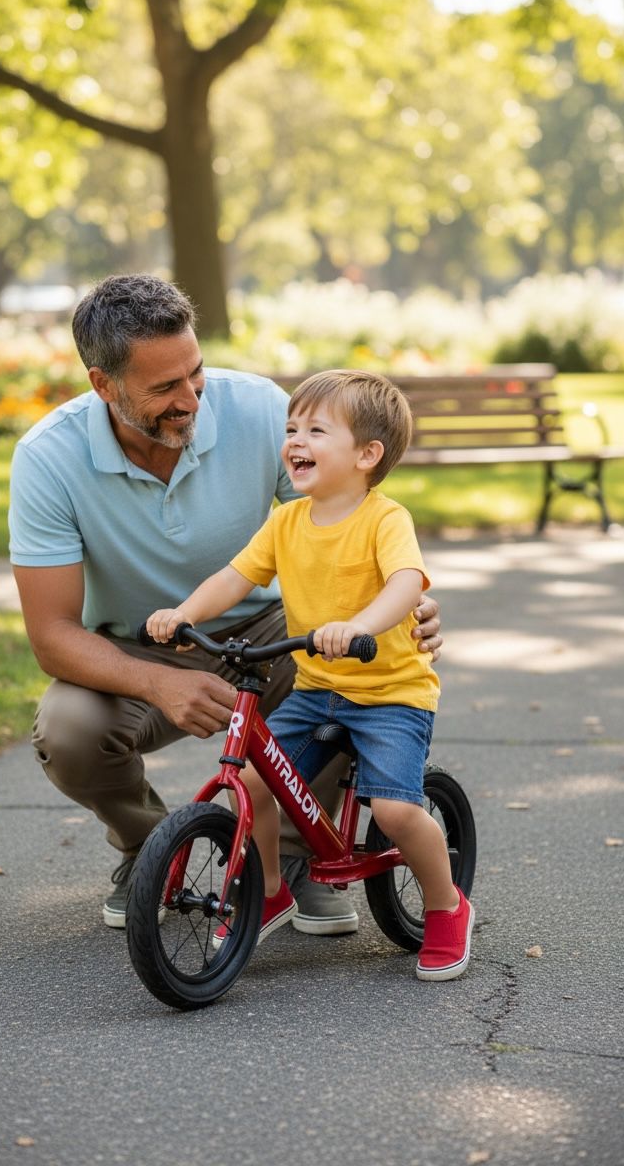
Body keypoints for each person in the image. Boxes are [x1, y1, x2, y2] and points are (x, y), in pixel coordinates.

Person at [9, 275, 443, 934]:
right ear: (104, 385)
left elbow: (348, 534)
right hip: (136, 642)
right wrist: (159, 679)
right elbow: (51, 636)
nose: (190, 400)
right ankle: (154, 850)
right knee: (69, 729)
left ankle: (298, 859)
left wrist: (401, 605)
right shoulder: (48, 458)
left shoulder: (262, 411)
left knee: (345, 670)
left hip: (271, 628)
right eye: (163, 389)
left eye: (196, 373)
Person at [147, 368, 473, 981]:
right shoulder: (288, 521)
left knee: (398, 813)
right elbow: (234, 578)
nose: (295, 439)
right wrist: (183, 613)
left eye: (317, 429)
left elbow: (407, 583)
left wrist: (362, 626)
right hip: (318, 689)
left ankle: (447, 905)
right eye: (291, 427)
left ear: (367, 455)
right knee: (251, 778)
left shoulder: (384, 519)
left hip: (389, 696)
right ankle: (269, 890)